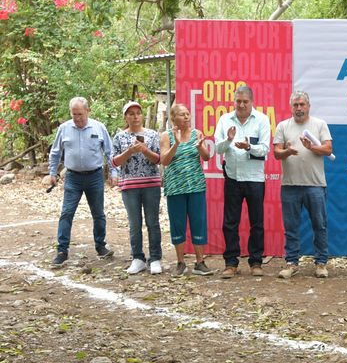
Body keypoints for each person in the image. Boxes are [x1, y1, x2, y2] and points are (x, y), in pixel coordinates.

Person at [49, 97, 117, 267]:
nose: (77, 118)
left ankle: (101, 246)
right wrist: (52, 172)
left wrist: (114, 172)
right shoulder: (64, 128)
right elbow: (55, 152)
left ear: (88, 111)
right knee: (66, 212)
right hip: (72, 177)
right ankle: (62, 250)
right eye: (74, 114)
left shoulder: (98, 127)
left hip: (95, 176)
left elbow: (109, 152)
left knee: (98, 213)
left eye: (80, 114)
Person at [273, 91, 333, 279]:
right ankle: (292, 263)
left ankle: (321, 263)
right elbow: (276, 153)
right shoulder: (283, 126)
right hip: (290, 185)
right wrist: (287, 152)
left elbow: (328, 149)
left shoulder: (319, 124)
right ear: (291, 107)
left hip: (315, 185)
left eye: (302, 105)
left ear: (308, 106)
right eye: (295, 105)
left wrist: (311, 147)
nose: (299, 108)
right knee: (291, 226)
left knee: (319, 225)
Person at [214, 85, 271, 279]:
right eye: (238, 101)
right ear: (234, 101)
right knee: (230, 222)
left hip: (255, 179)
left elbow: (264, 149)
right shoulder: (224, 119)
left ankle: (256, 262)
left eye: (245, 101)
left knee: (257, 222)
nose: (241, 105)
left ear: (252, 102)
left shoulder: (262, 120)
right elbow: (218, 148)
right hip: (232, 177)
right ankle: (231, 263)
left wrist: (249, 147)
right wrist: (228, 140)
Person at [160, 103, 214, 276]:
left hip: (196, 186)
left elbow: (206, 157)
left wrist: (200, 147)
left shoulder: (196, 134)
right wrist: (175, 144)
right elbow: (164, 161)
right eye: (182, 114)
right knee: (178, 224)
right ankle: (181, 262)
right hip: (175, 188)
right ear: (173, 118)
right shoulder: (166, 136)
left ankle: (200, 262)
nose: (186, 117)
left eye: (187, 114)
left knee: (198, 222)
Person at [112, 101, 163, 275]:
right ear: (125, 117)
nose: (135, 116)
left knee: (153, 222)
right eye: (131, 113)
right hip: (129, 186)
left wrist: (144, 150)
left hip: (151, 184)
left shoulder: (153, 135)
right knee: (134, 223)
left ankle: (155, 258)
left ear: (142, 116)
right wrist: (130, 151)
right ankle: (138, 258)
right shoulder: (120, 137)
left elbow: (158, 159)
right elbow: (114, 162)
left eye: (138, 113)